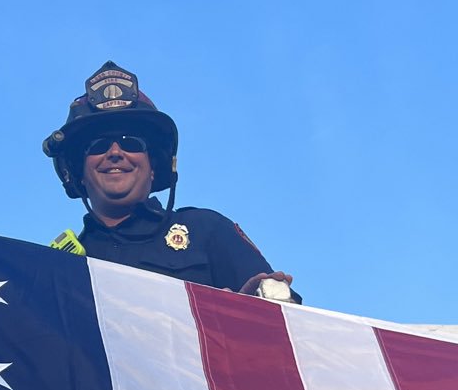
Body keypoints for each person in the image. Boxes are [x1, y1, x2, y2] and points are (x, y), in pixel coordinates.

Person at [42, 61, 298, 301]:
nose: (115, 153)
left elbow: (290, 324)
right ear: (78, 173)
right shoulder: (56, 269)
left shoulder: (206, 230)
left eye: (132, 143)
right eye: (98, 146)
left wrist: (253, 310)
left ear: (153, 166)